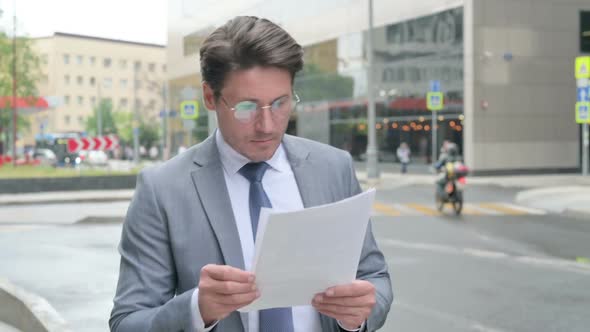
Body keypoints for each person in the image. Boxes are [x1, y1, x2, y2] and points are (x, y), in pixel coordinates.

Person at [110, 16, 393, 332]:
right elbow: (127, 323)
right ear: (209, 97)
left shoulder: (333, 167)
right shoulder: (162, 189)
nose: (267, 125)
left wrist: (360, 314)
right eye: (246, 107)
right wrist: (196, 308)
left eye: (280, 103)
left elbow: (374, 277)